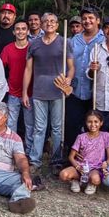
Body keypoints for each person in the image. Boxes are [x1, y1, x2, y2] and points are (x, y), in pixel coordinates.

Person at [23, 13, 74, 172]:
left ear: (57, 25)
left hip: (58, 91)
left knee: (57, 127)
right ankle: (35, 160)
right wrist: (25, 92)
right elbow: (28, 69)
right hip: (39, 92)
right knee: (39, 127)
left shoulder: (64, 43)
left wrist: (68, 81)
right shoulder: (34, 44)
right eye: (45, 21)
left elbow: (71, 67)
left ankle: (56, 161)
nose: (49, 24)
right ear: (41, 24)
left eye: (52, 21)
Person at [65, 7, 104, 148]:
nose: (87, 21)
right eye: (85, 19)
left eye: (91, 18)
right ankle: (70, 159)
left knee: (93, 126)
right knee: (71, 126)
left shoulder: (104, 39)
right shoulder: (73, 40)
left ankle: (92, 158)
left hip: (95, 91)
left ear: (97, 20)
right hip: (75, 90)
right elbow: (67, 63)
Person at [1, 20, 35, 157]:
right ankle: (12, 150)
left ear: (28, 31)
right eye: (18, 29)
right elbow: (0, 68)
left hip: (31, 92)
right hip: (13, 92)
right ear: (14, 32)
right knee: (11, 123)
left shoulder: (33, 47)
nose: (20, 31)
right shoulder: (8, 49)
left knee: (30, 124)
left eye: (23, 29)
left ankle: (28, 151)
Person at [59, 110, 109, 195]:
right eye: (89, 122)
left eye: (96, 122)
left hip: (95, 168)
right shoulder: (81, 137)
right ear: (86, 123)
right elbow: (71, 157)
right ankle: (75, 180)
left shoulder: (105, 136)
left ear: (101, 123)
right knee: (63, 174)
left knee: (95, 179)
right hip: (81, 167)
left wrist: (106, 163)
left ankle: (91, 183)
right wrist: (77, 167)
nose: (93, 125)